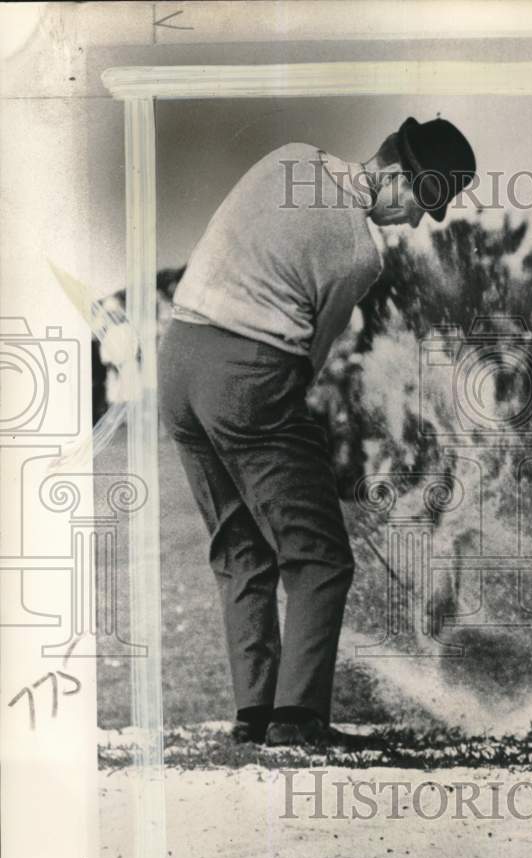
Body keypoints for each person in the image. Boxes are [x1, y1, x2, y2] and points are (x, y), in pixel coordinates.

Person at [158, 117, 476, 747]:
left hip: (177, 367)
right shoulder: (361, 257)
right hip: (248, 378)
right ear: (391, 175)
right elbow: (305, 363)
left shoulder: (290, 155)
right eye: (420, 202)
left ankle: (254, 717)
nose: (414, 222)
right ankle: (298, 720)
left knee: (241, 548)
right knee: (321, 558)